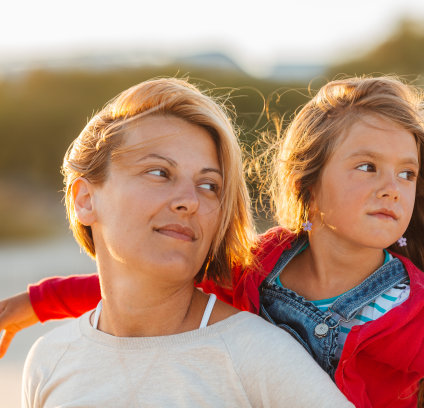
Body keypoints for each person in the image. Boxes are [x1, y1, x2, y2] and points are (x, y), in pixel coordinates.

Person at [0, 77, 424, 407]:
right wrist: (28, 307)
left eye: (407, 174)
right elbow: (140, 285)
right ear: (308, 186)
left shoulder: (415, 311)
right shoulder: (264, 264)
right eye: (367, 166)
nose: (390, 188)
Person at [14, 78, 353, 407]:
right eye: (159, 172)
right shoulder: (50, 360)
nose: (189, 201)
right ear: (85, 200)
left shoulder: (258, 355)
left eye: (209, 186)